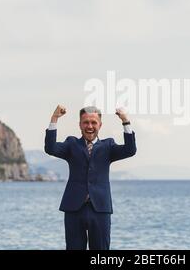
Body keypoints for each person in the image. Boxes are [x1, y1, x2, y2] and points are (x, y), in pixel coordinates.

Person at [44, 105, 137, 250]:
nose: (90, 126)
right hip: (74, 208)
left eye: (94, 122)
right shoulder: (71, 144)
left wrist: (125, 121)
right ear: (80, 125)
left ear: (100, 125)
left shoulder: (108, 146)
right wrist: (54, 118)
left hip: (100, 209)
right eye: (86, 122)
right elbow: (50, 148)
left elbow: (130, 150)